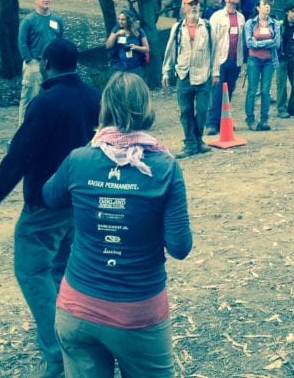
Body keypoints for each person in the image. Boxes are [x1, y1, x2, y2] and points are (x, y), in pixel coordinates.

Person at [43, 73, 192, 378]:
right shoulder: (163, 167)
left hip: (76, 308)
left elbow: (48, 196)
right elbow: (179, 247)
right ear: (146, 108)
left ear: (105, 107)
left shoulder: (79, 158)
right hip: (137, 314)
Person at [0, 39, 101, 378]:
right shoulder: (93, 96)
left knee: (32, 271)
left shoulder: (45, 103)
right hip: (82, 200)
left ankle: (57, 355)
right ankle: (80, 342)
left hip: (46, 204)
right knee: (65, 271)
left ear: (46, 63)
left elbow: (18, 157)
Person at [162, 0, 213, 157]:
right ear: (184, 8)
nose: (194, 7)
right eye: (190, 5)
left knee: (203, 110)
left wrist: (216, 72)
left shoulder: (207, 26)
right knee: (186, 111)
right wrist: (166, 72)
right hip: (183, 75)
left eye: (196, 5)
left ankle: (198, 139)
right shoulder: (177, 28)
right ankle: (190, 143)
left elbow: (216, 50)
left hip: (203, 74)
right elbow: (170, 51)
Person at [19, 0, 65, 125]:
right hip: (35, 63)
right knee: (30, 98)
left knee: (50, 97)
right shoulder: (29, 20)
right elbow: (22, 42)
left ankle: (44, 130)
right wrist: (30, 60)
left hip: (52, 66)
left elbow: (60, 39)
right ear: (36, 0)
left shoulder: (57, 20)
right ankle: (23, 131)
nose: (46, 0)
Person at [208, 0, 246, 135]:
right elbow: (211, 40)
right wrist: (212, 63)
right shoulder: (217, 17)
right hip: (219, 59)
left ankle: (224, 122)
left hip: (235, 60)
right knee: (217, 92)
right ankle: (211, 122)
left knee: (228, 93)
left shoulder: (241, 17)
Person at [244, 0, 280, 131]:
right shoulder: (250, 23)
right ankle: (250, 119)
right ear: (258, 7)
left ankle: (264, 119)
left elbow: (276, 43)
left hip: (269, 61)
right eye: (264, 4)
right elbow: (249, 43)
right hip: (254, 60)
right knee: (252, 90)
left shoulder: (275, 23)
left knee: (266, 91)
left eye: (268, 4)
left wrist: (258, 43)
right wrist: (267, 42)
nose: (267, 6)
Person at [276, 3, 294, 120]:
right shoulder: (280, 26)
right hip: (282, 60)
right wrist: (278, 56)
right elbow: (276, 43)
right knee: (281, 86)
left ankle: (293, 107)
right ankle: (281, 109)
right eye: (292, 11)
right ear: (287, 12)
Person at [104, 10, 149, 75]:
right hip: (118, 66)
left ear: (129, 20)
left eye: (123, 20)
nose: (120, 22)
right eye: (119, 19)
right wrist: (116, 34)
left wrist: (135, 47)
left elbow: (146, 49)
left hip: (135, 67)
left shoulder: (138, 31)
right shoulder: (116, 29)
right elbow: (108, 46)